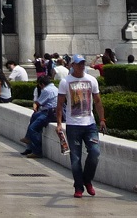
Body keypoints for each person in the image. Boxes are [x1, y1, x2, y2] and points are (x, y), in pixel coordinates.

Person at [56, 55, 106, 199]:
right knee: (75, 159)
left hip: (89, 123)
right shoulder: (65, 82)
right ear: (72, 65)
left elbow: (97, 101)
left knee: (95, 153)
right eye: (78, 64)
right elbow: (59, 104)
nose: (81, 66)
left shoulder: (91, 80)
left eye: (83, 64)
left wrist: (102, 119)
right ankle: (78, 187)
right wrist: (59, 124)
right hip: (73, 125)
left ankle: (87, 179)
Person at [22, 73, 59, 158]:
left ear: (42, 84)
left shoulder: (46, 90)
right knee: (35, 116)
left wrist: (35, 106)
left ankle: (37, 151)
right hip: (52, 111)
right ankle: (27, 137)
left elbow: (39, 102)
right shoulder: (55, 88)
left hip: (49, 113)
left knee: (33, 128)